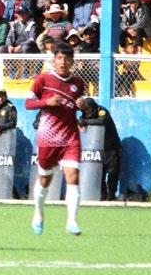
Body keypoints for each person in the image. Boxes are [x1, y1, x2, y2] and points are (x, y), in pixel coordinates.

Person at [25, 42, 86, 236]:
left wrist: (81, 105)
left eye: (67, 59)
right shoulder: (43, 79)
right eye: (59, 58)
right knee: (45, 179)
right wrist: (47, 102)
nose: (63, 62)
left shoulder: (78, 82)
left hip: (70, 136)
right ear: (54, 60)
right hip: (48, 137)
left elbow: (75, 106)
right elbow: (28, 103)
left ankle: (72, 222)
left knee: (73, 175)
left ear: (72, 62)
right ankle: (38, 214)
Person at [78, 98, 121, 201]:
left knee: (113, 173)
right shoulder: (83, 117)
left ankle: (111, 195)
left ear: (93, 107)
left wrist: (85, 122)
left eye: (88, 109)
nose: (86, 112)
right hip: (97, 150)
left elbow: (102, 121)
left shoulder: (101, 111)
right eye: (84, 110)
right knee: (98, 174)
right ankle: (103, 195)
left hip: (111, 148)